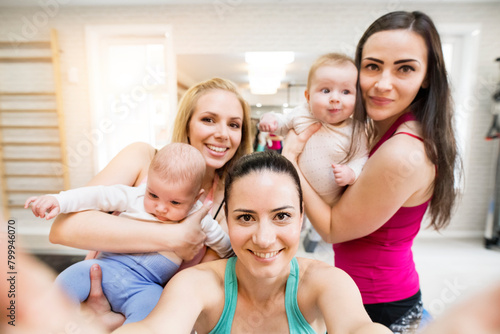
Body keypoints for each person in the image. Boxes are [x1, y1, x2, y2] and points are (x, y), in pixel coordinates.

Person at [282, 11, 460, 333]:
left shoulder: (402, 151)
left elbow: (333, 229)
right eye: (373, 66)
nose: (382, 84)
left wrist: (291, 160)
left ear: (427, 77)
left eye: (405, 68)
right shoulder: (374, 130)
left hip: (380, 306)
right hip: (371, 292)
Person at [48, 77, 253, 329]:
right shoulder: (142, 158)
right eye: (208, 119)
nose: (222, 134)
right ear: (187, 124)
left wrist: (116, 321)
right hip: (83, 308)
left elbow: (192, 293)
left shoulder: (226, 203)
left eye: (234, 125)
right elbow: (62, 229)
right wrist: (175, 237)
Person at [111, 151, 392, 334]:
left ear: (301, 217)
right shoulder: (198, 283)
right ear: (227, 222)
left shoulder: (327, 282)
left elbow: (360, 328)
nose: (264, 238)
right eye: (246, 218)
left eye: (281, 216)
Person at [24, 143, 233, 324]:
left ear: (196, 197)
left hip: (145, 286)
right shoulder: (134, 196)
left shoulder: (199, 215)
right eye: (153, 195)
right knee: (66, 281)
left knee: (154, 314)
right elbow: (95, 195)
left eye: (175, 202)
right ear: (149, 181)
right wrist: (59, 200)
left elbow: (224, 245)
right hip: (103, 267)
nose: (160, 207)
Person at [259, 53, 368, 206]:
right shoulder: (301, 113)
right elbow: (282, 122)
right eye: (325, 90)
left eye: (346, 92)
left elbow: (361, 158)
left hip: (335, 201)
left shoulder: (356, 130)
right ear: (308, 97)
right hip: (294, 192)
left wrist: (352, 173)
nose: (335, 98)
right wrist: (270, 119)